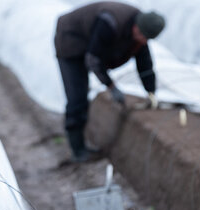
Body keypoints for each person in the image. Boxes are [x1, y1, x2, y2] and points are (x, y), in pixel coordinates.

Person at [54, 2, 165, 162]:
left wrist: (151, 92)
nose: (142, 40)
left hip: (91, 41)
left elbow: (145, 64)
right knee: (77, 97)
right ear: (136, 26)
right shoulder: (109, 22)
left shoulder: (141, 31)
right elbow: (93, 59)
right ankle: (78, 150)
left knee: (82, 95)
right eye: (141, 35)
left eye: (146, 38)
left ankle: (82, 146)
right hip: (71, 40)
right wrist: (112, 87)